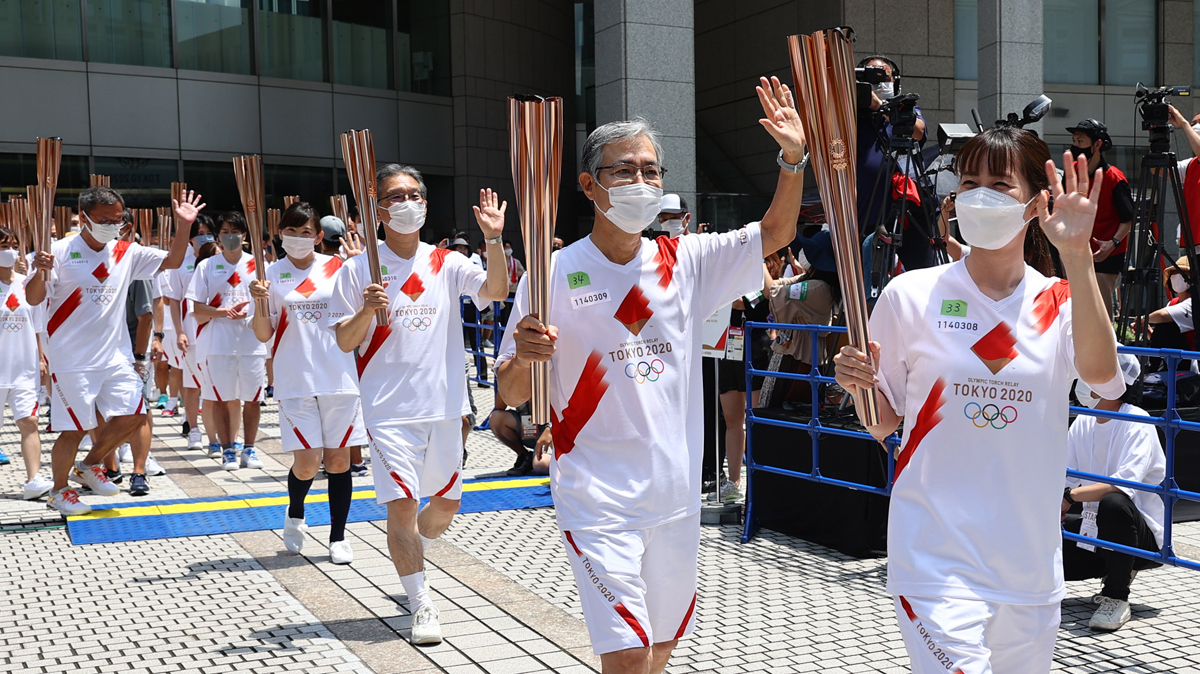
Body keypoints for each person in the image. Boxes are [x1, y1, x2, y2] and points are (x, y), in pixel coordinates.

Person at [496, 76, 806, 673]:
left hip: (673, 492)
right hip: (596, 494)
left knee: (660, 646)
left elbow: (775, 234)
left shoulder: (685, 261)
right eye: (623, 170)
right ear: (589, 185)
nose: (641, 181)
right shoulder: (550, 273)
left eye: (651, 170)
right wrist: (526, 358)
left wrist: (792, 161)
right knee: (629, 653)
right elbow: (510, 394)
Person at [834, 126, 1124, 673]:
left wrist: (1077, 257)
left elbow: (1103, 376)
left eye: (999, 184)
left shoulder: (1060, 300)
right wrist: (858, 384)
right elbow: (884, 424)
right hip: (934, 557)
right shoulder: (911, 295)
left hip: (1027, 564)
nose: (979, 196)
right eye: (969, 182)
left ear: (1037, 202)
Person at [328, 169, 509, 645]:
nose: (407, 202)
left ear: (425, 206)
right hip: (388, 411)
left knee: (446, 507)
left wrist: (493, 240)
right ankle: (420, 600)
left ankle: (410, 551)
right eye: (396, 196)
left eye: (415, 195)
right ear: (378, 209)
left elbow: (496, 291)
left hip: (444, 406)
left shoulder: (447, 262)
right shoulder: (357, 270)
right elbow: (344, 340)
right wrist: (366, 310)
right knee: (403, 508)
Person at [27, 186, 201, 516]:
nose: (113, 226)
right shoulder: (59, 251)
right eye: (105, 220)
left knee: (135, 413)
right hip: (73, 359)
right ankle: (59, 491)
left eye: (117, 219)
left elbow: (173, 260)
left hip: (115, 356)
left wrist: (184, 226)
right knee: (75, 428)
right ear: (84, 217)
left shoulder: (126, 251)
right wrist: (40, 271)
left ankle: (88, 466)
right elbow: (34, 298)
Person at [249, 202, 365, 565]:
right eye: (291, 231)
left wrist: (361, 268)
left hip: (339, 376)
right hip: (294, 378)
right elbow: (263, 333)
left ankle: (338, 537)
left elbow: (365, 314)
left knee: (339, 461)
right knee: (307, 464)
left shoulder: (340, 268)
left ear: (318, 236)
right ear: (280, 234)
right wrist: (258, 302)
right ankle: (295, 512)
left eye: (305, 232)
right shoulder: (268, 275)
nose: (298, 238)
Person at [1063, 353, 1165, 632]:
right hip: (1093, 528)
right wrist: (1057, 502)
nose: (1084, 379)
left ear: (1114, 382)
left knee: (1113, 504)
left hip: (1139, 533)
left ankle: (1116, 596)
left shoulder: (1137, 421)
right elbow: (1065, 476)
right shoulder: (1083, 420)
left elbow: (1123, 486)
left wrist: (1069, 497)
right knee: (1046, 529)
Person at [186, 211, 266, 472]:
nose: (230, 237)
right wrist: (224, 312)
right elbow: (197, 309)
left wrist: (250, 312)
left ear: (244, 235)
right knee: (221, 398)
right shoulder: (207, 266)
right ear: (218, 237)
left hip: (252, 342)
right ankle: (228, 449)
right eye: (225, 232)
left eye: (235, 232)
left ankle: (250, 448)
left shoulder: (259, 265)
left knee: (253, 398)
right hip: (218, 343)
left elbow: (270, 303)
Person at [0, 227, 53, 500]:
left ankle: (33, 480)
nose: (9, 251)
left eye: (13, 245)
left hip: (24, 366)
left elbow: (37, 326)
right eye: (3, 246)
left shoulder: (26, 284)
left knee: (30, 421)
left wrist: (41, 358)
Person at [1068, 118, 1134, 319]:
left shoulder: (1115, 178)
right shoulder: (1071, 172)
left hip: (1105, 255)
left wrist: (1112, 243)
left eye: (1080, 141)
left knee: (1100, 312)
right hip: (1076, 252)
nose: (1075, 145)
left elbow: (1128, 219)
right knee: (1073, 310)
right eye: (1074, 141)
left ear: (1097, 145)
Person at [168, 215, 219, 452]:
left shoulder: (220, 260)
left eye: (208, 233)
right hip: (191, 333)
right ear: (190, 238)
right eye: (199, 234)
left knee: (215, 385)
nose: (204, 238)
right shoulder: (181, 262)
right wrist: (179, 332)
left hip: (217, 332)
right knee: (192, 385)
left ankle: (217, 433)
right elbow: (174, 300)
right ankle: (194, 429)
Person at [489, 388, 551, 477]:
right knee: (496, 418)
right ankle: (525, 456)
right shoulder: (516, 379)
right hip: (527, 426)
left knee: (541, 465)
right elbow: (500, 406)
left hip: (550, 431)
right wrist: (506, 382)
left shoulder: (546, 379)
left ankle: (562, 458)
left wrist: (550, 429)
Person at [1166, 105, 1200, 254]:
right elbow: (1158, 169)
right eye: (1193, 123)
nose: (1195, 127)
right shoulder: (1191, 165)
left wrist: (1184, 124)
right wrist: (1157, 134)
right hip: (1194, 246)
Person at [1148, 255, 1194, 354]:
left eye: (1183, 272)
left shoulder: (1193, 303)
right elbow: (1165, 340)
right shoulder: (1172, 303)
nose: (1177, 275)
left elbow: (1162, 316)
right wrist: (1148, 332)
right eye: (1174, 272)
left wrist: (1143, 319)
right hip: (1172, 358)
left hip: (1190, 359)